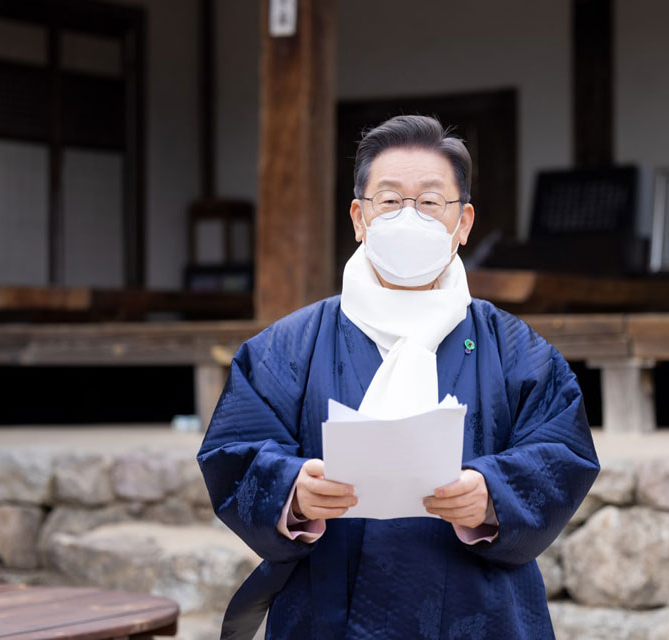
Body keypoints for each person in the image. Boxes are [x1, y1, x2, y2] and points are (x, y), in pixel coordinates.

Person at [196, 114, 600, 639]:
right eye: (389, 201)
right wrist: (292, 493)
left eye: (431, 202)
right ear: (359, 218)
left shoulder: (517, 351)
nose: (409, 217)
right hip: (327, 615)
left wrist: (493, 496)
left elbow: (563, 453)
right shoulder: (285, 348)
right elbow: (233, 450)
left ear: (464, 223)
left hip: (482, 615)